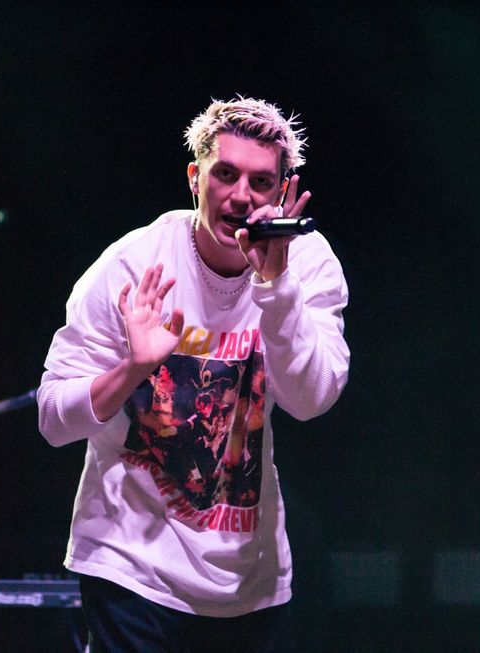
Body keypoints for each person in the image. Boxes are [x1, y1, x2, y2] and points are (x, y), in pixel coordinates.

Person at [37, 97, 350, 652]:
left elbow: (311, 400)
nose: (240, 196)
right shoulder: (133, 264)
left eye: (260, 182)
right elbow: (53, 420)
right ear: (194, 178)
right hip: (129, 562)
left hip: (247, 575)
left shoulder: (305, 262)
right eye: (224, 174)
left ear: (282, 193)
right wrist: (133, 368)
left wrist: (276, 288)